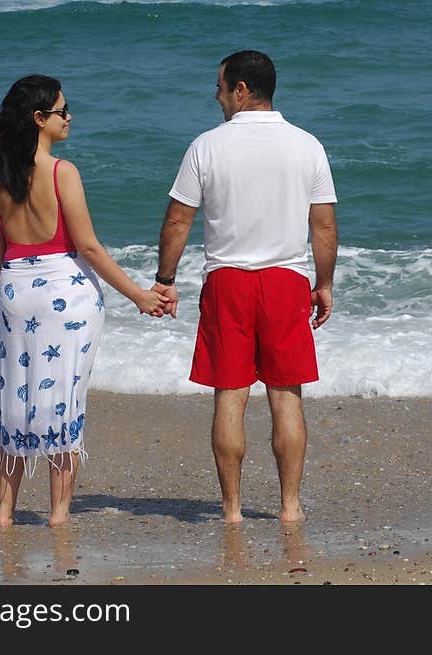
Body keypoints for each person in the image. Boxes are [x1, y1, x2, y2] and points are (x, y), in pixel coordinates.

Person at [153, 51, 338, 523]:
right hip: (286, 279)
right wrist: (324, 284)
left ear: (240, 89)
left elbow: (178, 219)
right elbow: (324, 227)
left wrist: (165, 280)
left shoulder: (207, 146)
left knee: (230, 396)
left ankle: (232, 510)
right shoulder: (307, 145)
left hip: (227, 281)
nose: (215, 96)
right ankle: (290, 507)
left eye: (219, 86)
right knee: (286, 396)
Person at [0, 75, 168, 527]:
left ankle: (5, 512)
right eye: (63, 111)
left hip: (15, 290)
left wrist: (8, 303)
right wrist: (140, 295)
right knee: (62, 400)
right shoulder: (62, 172)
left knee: (18, 403)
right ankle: (58, 513)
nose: (70, 117)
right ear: (39, 119)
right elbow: (88, 247)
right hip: (65, 292)